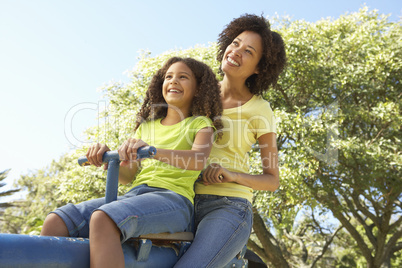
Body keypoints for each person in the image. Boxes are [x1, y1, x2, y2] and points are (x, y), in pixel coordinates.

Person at [40, 56, 223, 268]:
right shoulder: (146, 127)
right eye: (169, 77)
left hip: (173, 200)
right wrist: (109, 160)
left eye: (183, 77)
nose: (173, 81)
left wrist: (152, 151)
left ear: (199, 89)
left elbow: (198, 160)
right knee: (56, 221)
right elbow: (127, 177)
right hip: (135, 195)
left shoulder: (201, 124)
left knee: (103, 219)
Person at [174, 14, 286, 268]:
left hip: (228, 207)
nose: (235, 52)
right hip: (182, 199)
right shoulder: (196, 92)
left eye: (248, 51)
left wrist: (232, 174)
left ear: (259, 67)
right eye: (235, 43)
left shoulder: (260, 109)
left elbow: (272, 179)